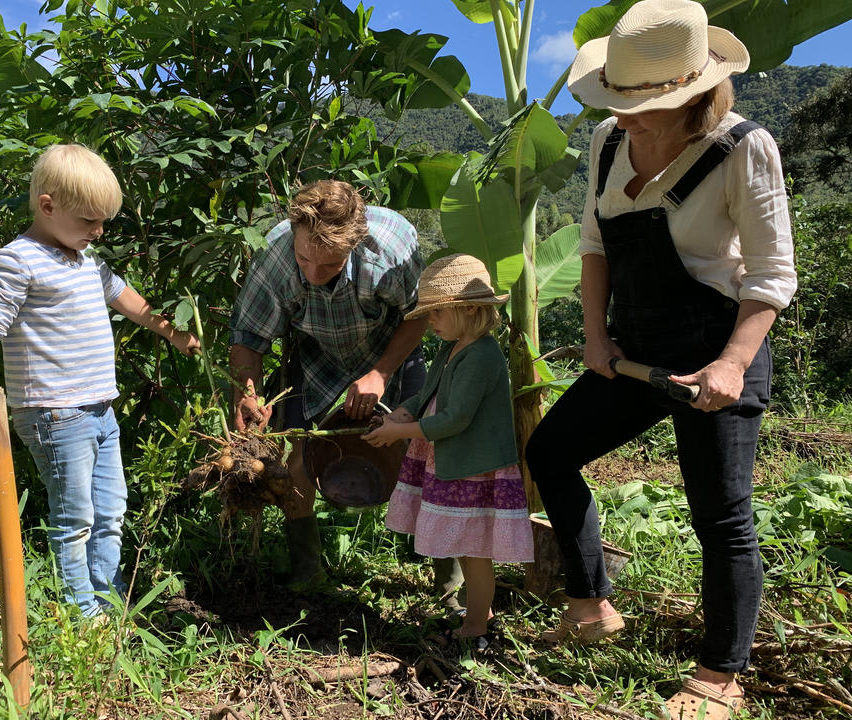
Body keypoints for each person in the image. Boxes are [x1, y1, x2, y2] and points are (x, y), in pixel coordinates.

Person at [524, 1, 797, 717]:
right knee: (552, 450)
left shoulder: (743, 149)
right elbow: (592, 246)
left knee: (720, 513)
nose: (629, 118)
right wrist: (596, 336)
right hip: (634, 349)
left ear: (696, 95)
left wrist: (733, 364)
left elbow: (770, 278)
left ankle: (720, 675)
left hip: (715, 350)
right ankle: (591, 609)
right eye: (619, 103)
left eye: (649, 107)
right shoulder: (609, 144)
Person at [0, 144, 201, 618]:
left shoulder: (86, 260)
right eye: (89, 221)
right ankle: (82, 614)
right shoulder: (19, 260)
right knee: (75, 518)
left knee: (111, 511)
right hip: (54, 413)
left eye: (103, 221)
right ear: (48, 206)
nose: (99, 231)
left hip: (100, 409)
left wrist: (175, 333)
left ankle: (109, 598)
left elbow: (127, 299)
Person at [229, 179, 470, 598]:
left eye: (329, 265)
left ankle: (450, 582)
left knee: (427, 455)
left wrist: (379, 373)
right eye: (305, 259)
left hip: (390, 344)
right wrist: (247, 396)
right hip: (314, 349)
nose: (314, 273)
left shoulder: (393, 248)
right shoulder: (276, 256)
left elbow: (419, 315)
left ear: (355, 245)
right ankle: (307, 572)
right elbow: (248, 336)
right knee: (296, 455)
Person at [363, 254, 534, 650]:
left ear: (469, 308)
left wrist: (400, 431)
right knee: (465, 545)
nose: (431, 321)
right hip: (454, 463)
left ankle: (476, 628)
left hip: (475, 468)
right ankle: (478, 617)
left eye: (437, 312)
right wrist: (401, 412)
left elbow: (455, 419)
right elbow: (427, 393)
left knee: (475, 551)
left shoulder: (482, 355)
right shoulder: (454, 347)